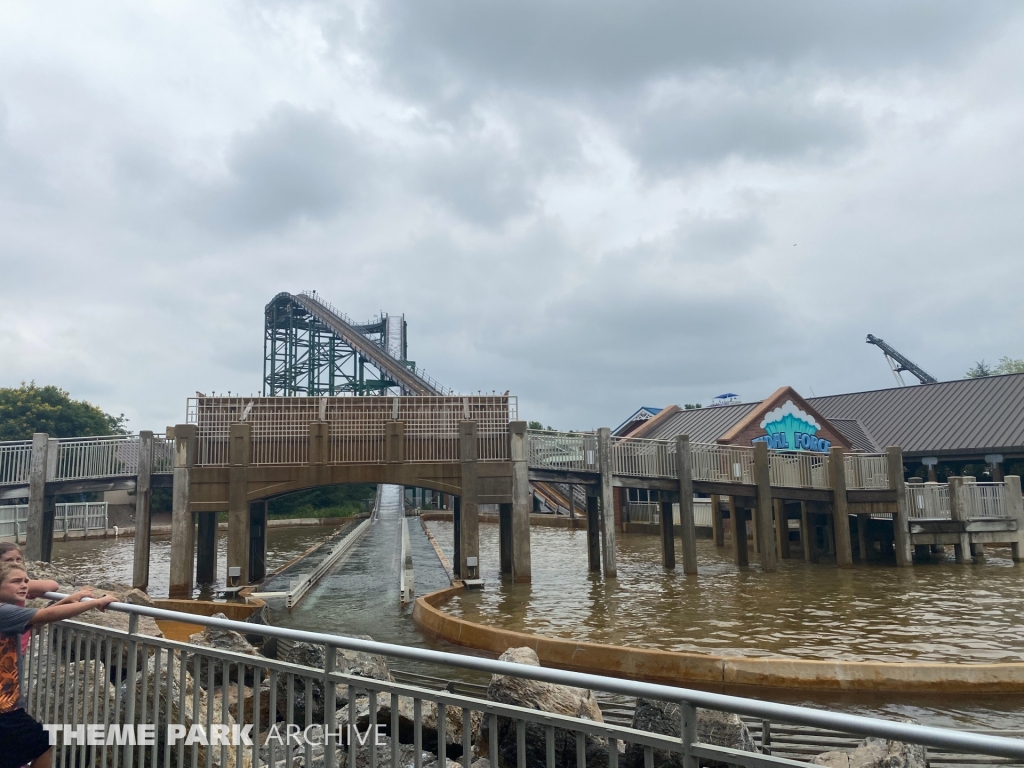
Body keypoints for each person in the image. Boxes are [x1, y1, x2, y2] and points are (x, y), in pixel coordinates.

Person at [0, 561, 116, 768]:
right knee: (43, 741)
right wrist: (95, 602)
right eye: (16, 581)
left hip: (7, 704)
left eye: (26, 581)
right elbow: (46, 616)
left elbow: (35, 622)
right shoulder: (4, 612)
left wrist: (69, 599)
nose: (24, 585)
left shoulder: (7, 613)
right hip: (4, 707)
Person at [0, 544, 60, 654]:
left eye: (19, 559)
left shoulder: (16, 590)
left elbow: (53, 585)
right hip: (9, 649)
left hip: (17, 648)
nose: (15, 563)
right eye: (9, 560)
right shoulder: (14, 588)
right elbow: (52, 586)